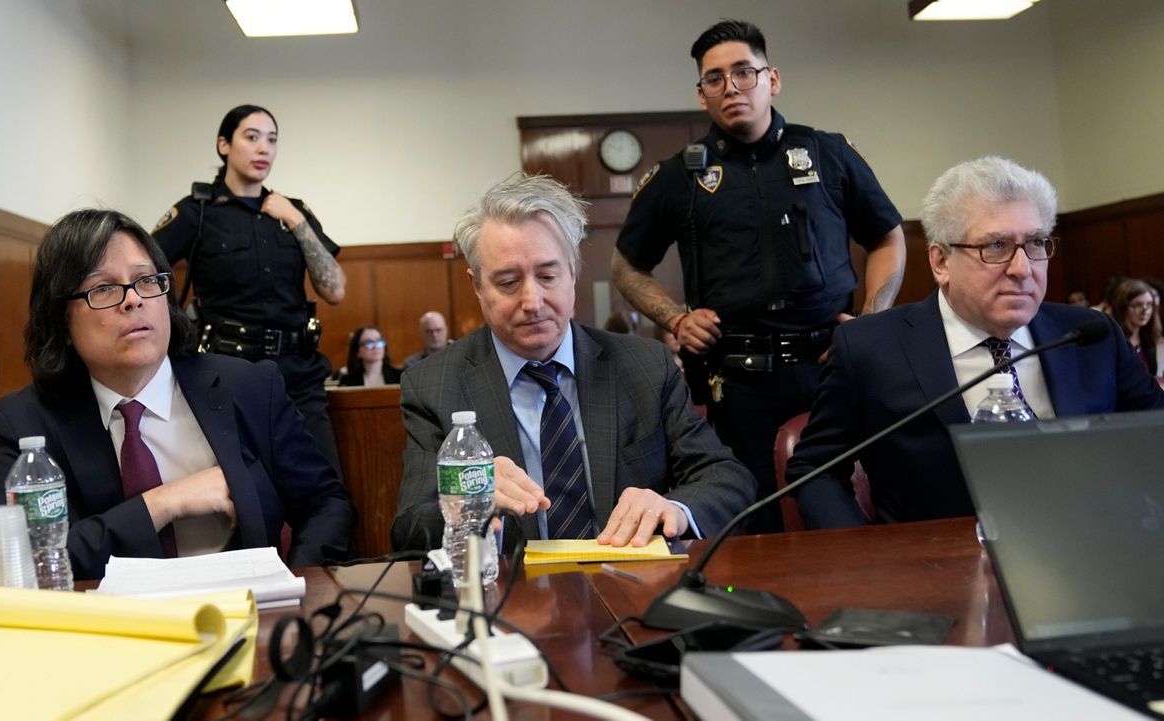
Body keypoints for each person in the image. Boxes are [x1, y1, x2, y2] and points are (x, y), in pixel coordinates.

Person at [610, 19, 906, 534]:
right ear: (701, 95)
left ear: (772, 79)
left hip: (833, 365)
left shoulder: (827, 153)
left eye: (744, 72)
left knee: (852, 509)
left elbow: (887, 236)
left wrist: (871, 321)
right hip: (739, 384)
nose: (731, 87)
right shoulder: (679, 176)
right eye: (715, 78)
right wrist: (676, 319)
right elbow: (625, 266)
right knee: (757, 525)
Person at [786, 157, 1164, 529]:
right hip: (936, 560)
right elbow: (815, 469)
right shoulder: (870, 348)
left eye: (1035, 243)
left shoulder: (1091, 335)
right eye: (996, 246)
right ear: (940, 262)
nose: (1022, 269)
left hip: (1086, 545)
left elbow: (1154, 435)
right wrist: (866, 556)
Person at [391, 173, 756, 551]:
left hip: (630, 577)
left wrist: (674, 508)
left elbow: (727, 478)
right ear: (477, 286)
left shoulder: (645, 366)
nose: (533, 302)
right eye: (508, 282)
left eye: (548, 275)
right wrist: (468, 503)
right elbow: (410, 528)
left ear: (573, 272)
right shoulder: (435, 384)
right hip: (511, 583)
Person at [0, 209, 356, 579]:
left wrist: (293, 587)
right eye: (103, 288)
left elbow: (325, 503)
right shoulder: (26, 421)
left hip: (248, 605)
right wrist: (162, 503)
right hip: (114, 615)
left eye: (147, 280)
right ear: (61, 319)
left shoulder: (250, 387)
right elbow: (23, 561)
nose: (133, 300)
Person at [153, 104, 346, 476]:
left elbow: (335, 289)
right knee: (242, 490)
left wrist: (296, 220)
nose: (264, 149)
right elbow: (144, 270)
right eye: (252, 137)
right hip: (226, 371)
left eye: (272, 140)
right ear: (224, 145)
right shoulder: (197, 211)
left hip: (298, 374)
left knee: (325, 484)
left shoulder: (294, 211)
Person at [1110, 279, 1162, 377]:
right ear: (1122, 307)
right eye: (1138, 305)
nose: (1145, 311)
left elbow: (1150, 375)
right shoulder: (1112, 339)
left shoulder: (1148, 338)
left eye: (1149, 304)